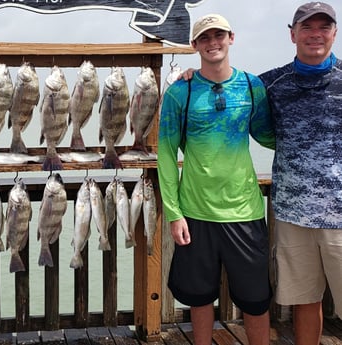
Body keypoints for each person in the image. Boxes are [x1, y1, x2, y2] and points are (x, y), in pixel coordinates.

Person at [157, 14, 275, 345]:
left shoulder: (252, 86)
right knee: (199, 297)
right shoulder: (181, 91)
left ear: (231, 38)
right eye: (205, 38)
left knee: (255, 300)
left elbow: (270, 136)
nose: (213, 43)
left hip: (245, 212)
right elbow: (165, 154)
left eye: (218, 35)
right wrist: (173, 212)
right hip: (195, 213)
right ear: (194, 45)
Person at [258, 2, 342, 344]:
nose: (315, 34)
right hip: (293, 216)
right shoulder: (270, 84)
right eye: (307, 27)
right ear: (292, 34)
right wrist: (189, 75)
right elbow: (226, 86)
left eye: (324, 27)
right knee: (305, 302)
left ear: (334, 34)